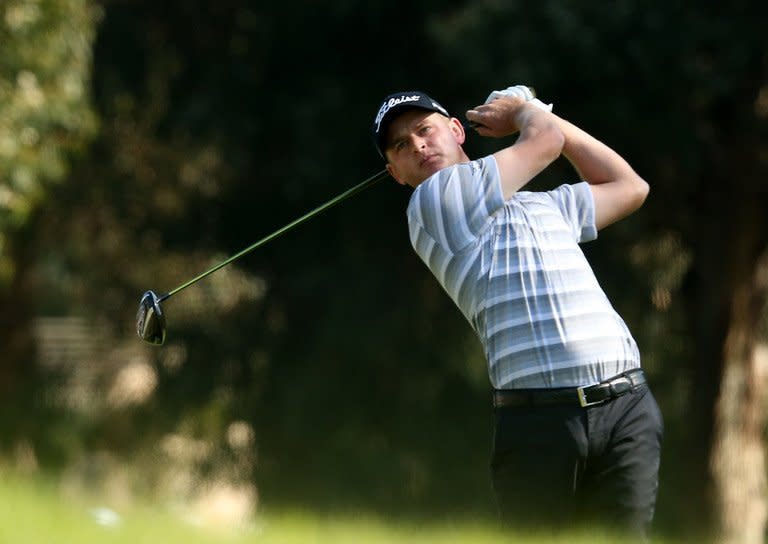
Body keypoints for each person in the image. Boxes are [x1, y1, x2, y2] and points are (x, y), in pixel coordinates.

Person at [371, 88, 662, 537]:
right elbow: (543, 143)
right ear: (395, 173)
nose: (418, 146)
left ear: (455, 130)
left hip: (626, 406)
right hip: (539, 421)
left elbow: (630, 187)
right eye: (401, 146)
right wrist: (527, 111)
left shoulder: (542, 204)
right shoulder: (432, 203)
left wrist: (540, 116)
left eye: (424, 130)